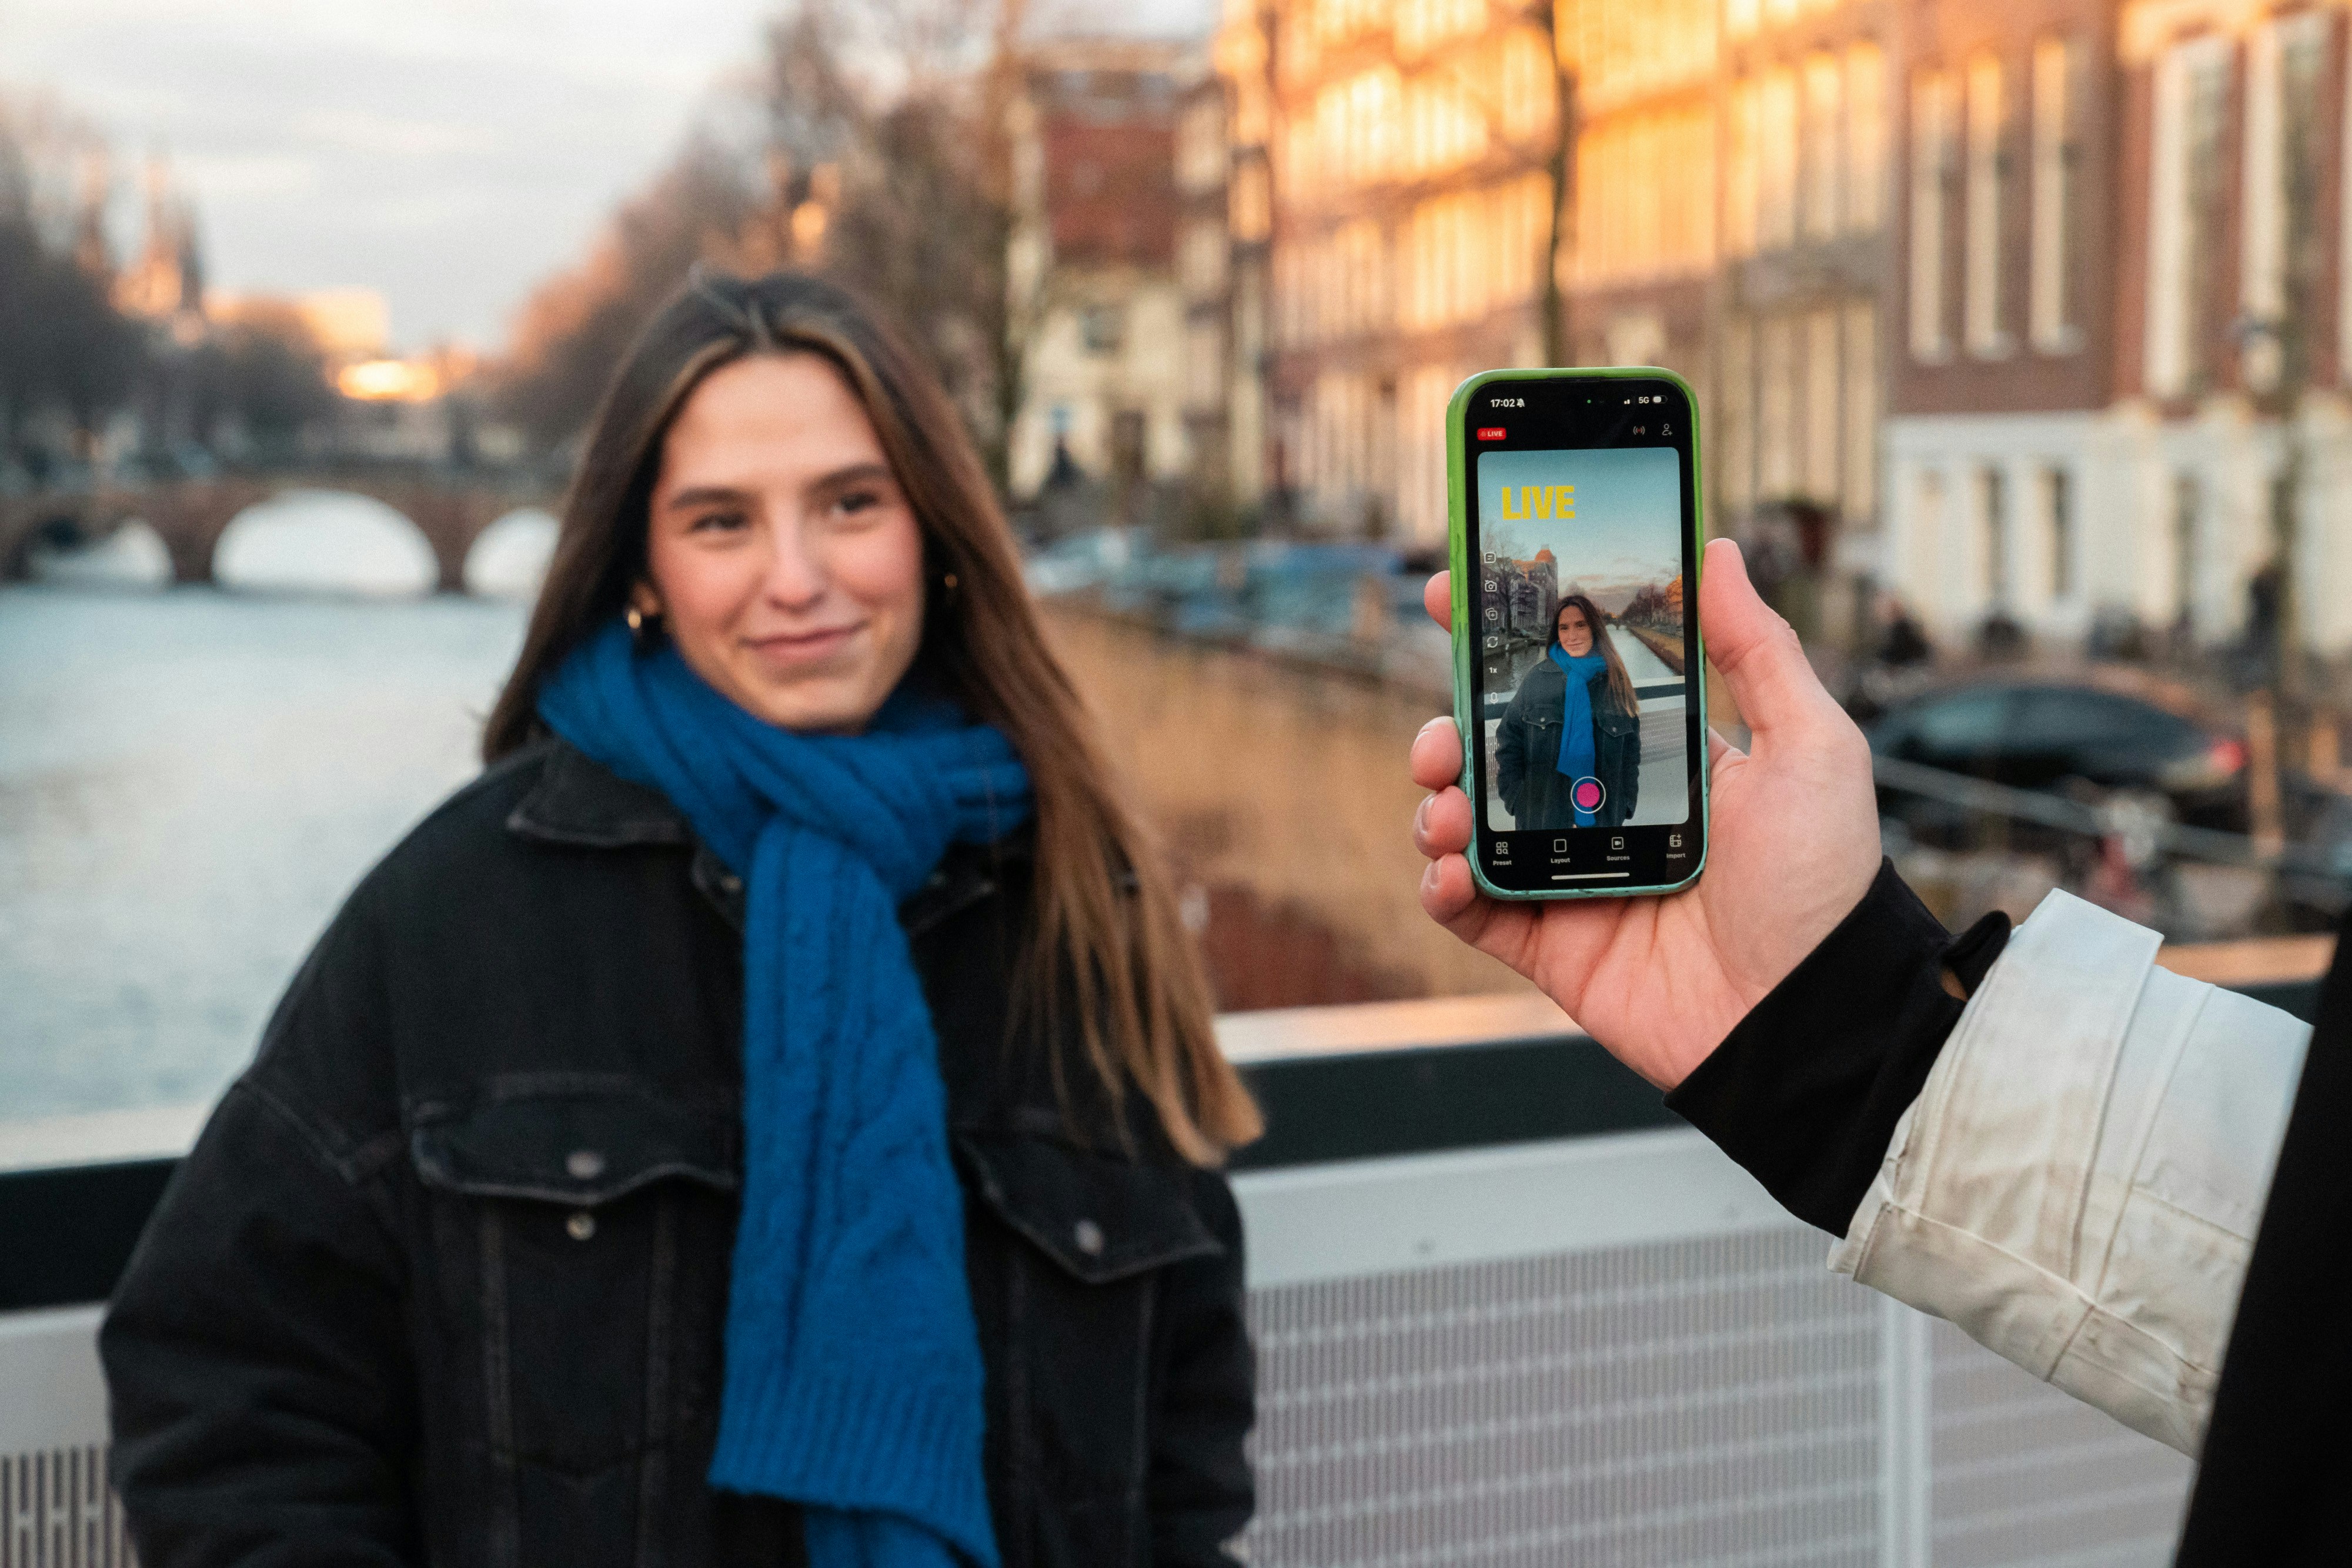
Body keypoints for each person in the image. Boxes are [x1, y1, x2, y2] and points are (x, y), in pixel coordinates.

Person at [100, 271, 1261, 1568]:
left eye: (849, 503)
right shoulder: (460, 911)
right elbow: (226, 1386)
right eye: (720, 522)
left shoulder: (1073, 914)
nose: (796, 577)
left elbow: (1182, 1454)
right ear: (639, 565)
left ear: (933, 527)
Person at [1406, 538, 2342, 1563]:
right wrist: (1848, 1023)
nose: (1578, 634)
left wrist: (1859, 1040)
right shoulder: (1546, 677)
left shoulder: (1622, 681)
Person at [1493, 594, 1641, 830]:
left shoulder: (1616, 682)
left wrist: (1624, 805)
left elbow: (1631, 754)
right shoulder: (1537, 679)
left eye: (1580, 625)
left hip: (1603, 824)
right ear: (1557, 634)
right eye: (1564, 628)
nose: (1572, 636)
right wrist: (1517, 801)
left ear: (1594, 628)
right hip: (1541, 824)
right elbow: (1509, 742)